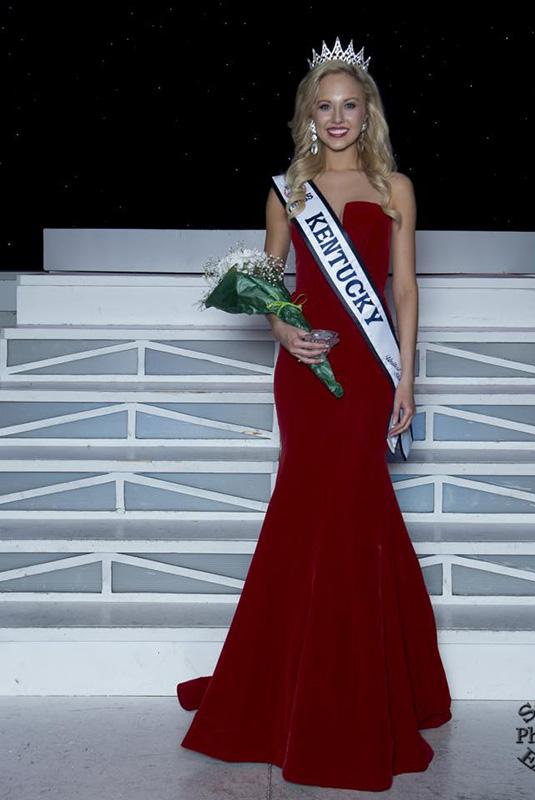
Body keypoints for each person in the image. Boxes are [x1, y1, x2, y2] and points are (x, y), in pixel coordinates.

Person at [176, 37, 452, 792]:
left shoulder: (396, 186)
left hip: (366, 373)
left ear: (367, 114)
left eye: (349, 106)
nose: (336, 118)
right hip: (307, 370)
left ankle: (381, 685)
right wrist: (280, 329)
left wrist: (407, 380)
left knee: (355, 511)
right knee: (310, 510)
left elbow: (403, 292)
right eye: (323, 107)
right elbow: (269, 282)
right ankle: (288, 684)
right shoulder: (288, 190)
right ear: (308, 115)